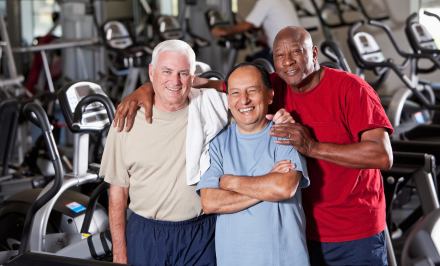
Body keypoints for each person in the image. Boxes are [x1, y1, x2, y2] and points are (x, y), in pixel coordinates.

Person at [113, 26, 394, 265]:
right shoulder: (272, 85)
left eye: (296, 51)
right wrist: (146, 88)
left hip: (353, 232)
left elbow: (382, 156)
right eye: (280, 55)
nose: (288, 62)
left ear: (314, 54)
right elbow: (198, 84)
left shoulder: (351, 89)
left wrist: (311, 147)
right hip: (303, 231)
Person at [99, 39, 228, 266]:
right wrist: (119, 255)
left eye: (183, 73)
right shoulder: (126, 120)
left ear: (193, 76)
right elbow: (117, 194)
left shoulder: (210, 107)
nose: (175, 81)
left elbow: (243, 90)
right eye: (166, 71)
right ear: (151, 72)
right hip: (148, 234)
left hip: (201, 232)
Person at [197, 62, 310, 266]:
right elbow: (210, 202)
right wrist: (267, 183)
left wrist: (229, 181)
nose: (244, 100)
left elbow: (284, 188)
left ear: (269, 95)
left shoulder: (285, 133)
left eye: (252, 90)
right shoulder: (217, 144)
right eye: (235, 93)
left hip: (285, 260)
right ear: (228, 100)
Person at [211, 0, 300, 62]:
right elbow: (275, 27)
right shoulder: (285, 1)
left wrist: (224, 31)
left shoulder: (266, 1)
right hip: (297, 49)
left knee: (253, 67)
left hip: (283, 53)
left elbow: (247, 25)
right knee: (255, 59)